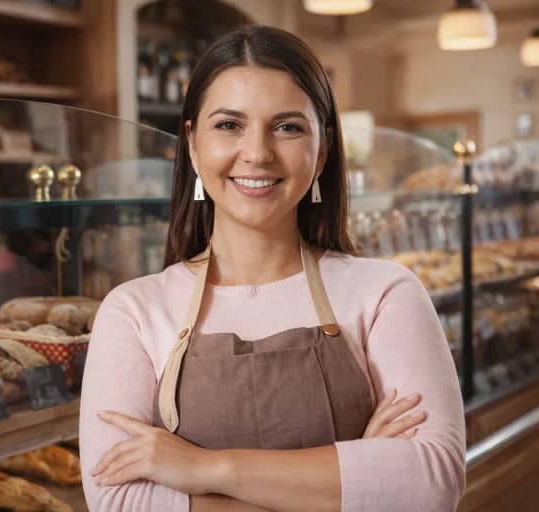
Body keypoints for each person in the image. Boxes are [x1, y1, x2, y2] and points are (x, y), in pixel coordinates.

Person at [79, 25, 466, 512]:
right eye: (229, 125)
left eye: (287, 127)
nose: (257, 152)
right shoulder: (133, 310)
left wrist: (205, 470)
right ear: (193, 146)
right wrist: (357, 481)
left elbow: (432, 483)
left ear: (321, 149)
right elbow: (118, 500)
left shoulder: (386, 292)